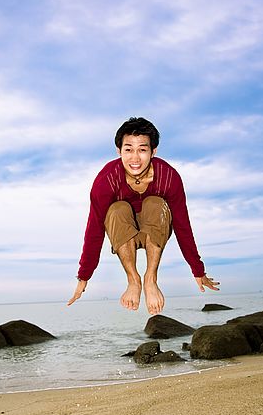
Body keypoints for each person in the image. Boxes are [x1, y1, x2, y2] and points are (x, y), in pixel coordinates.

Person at [67, 117, 219, 314]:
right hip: (123, 233)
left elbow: (182, 225)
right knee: (117, 208)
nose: (135, 158)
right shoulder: (106, 180)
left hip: (154, 230)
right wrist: (84, 276)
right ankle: (133, 280)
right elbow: (94, 229)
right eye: (128, 149)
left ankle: (150, 279)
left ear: (153, 151)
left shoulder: (169, 177)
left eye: (142, 149)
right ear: (119, 151)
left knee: (155, 203)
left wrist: (197, 270)